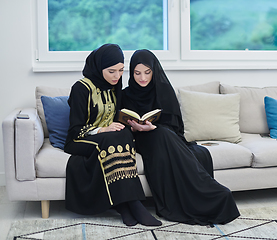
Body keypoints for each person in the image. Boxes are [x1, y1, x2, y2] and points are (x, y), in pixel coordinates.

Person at [121, 49, 240, 225]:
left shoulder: (163, 90)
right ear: (132, 73)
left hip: (163, 136)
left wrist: (153, 127)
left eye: (147, 73)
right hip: (141, 140)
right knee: (162, 135)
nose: (142, 78)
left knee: (166, 135)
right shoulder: (125, 94)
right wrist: (135, 128)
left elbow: (175, 125)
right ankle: (209, 192)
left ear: (154, 71)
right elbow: (122, 123)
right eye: (137, 73)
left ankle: (210, 193)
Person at [64, 44, 161, 227]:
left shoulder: (114, 86)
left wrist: (133, 125)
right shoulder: (81, 88)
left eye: (121, 71)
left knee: (123, 134)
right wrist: (102, 130)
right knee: (111, 138)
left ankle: (124, 204)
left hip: (108, 138)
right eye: (111, 71)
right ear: (99, 68)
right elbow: (75, 129)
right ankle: (131, 204)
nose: (117, 76)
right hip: (80, 139)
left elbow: (116, 117)